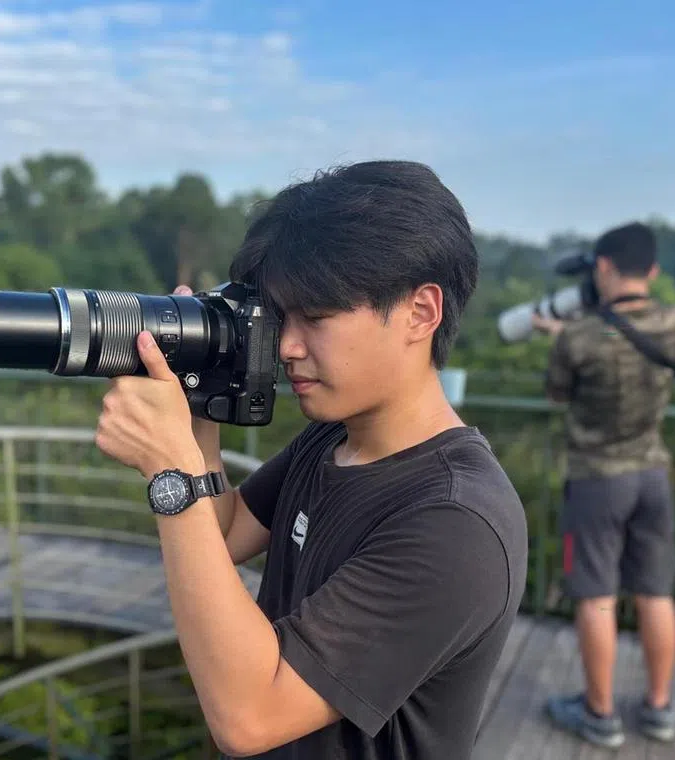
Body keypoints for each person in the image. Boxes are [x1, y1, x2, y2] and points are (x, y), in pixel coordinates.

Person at [93, 159, 528, 759]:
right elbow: (219, 536)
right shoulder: (334, 439)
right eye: (280, 319)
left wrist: (171, 472)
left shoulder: (456, 521)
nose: (289, 347)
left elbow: (249, 716)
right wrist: (197, 409)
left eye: (316, 318)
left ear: (420, 312)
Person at [531, 221, 675, 749]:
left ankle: (600, 714)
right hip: (652, 473)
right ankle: (660, 707)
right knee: (655, 591)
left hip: (598, 480)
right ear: (652, 271)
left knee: (597, 595)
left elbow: (558, 394)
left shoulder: (578, 337)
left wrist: (562, 338)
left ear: (602, 266)